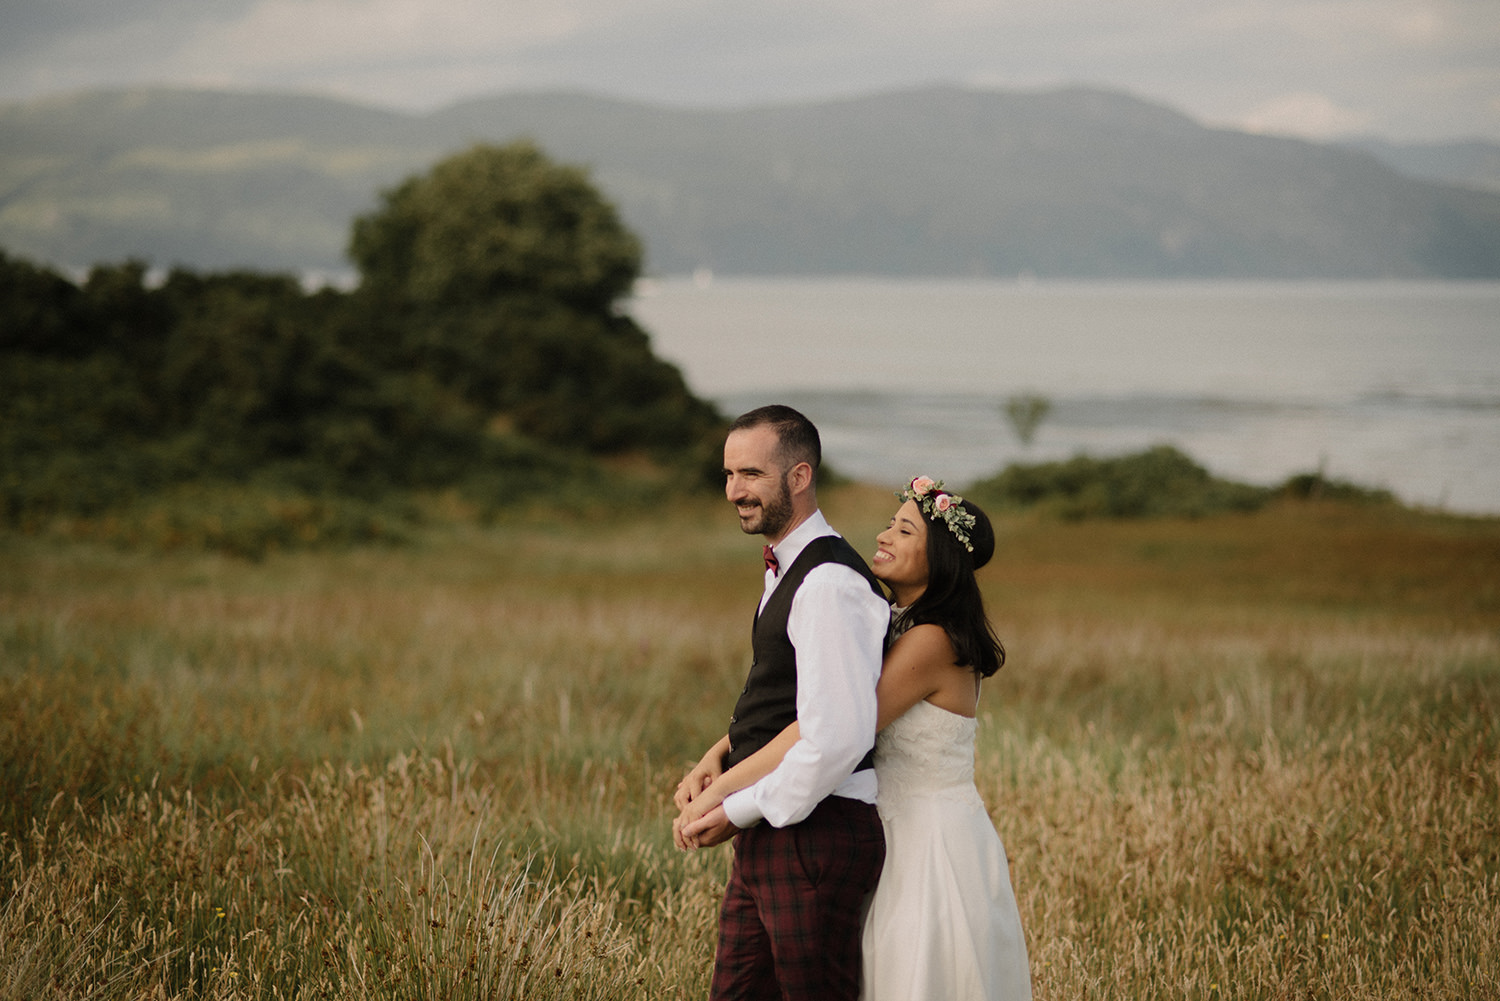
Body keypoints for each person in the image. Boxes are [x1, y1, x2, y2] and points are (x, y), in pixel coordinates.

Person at [680, 475, 1032, 1001]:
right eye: (890, 523)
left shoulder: (931, 641)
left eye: (905, 531)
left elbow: (830, 725)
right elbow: (811, 708)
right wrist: (720, 748)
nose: (884, 536)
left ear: (940, 556)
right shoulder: (893, 623)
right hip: (884, 822)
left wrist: (726, 788)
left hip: (927, 839)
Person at [673, 404, 891, 1001]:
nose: (733, 491)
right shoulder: (789, 568)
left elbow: (836, 736)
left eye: (751, 475)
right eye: (728, 475)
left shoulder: (828, 584)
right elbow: (794, 699)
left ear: (799, 477)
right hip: (780, 824)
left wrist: (733, 808)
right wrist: (717, 755)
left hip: (817, 832)